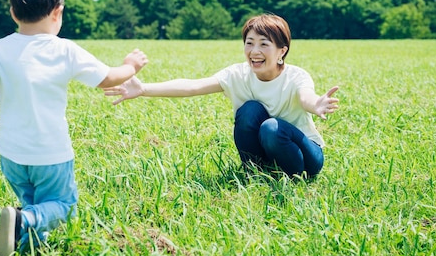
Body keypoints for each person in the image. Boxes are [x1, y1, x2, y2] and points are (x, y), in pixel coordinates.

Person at [0, 0, 148, 256]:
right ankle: (23, 222)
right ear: (57, 12)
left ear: (13, 12)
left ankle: (23, 244)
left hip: (11, 155)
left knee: (31, 200)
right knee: (62, 204)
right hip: (50, 153)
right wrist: (131, 65)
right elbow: (109, 78)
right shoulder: (64, 50)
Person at [104, 13, 338, 178]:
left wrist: (316, 104)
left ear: (282, 51)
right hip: (270, 148)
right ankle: (255, 172)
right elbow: (193, 86)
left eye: (264, 44)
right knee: (249, 110)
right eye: (249, 43)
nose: (254, 51)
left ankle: (294, 177)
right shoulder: (238, 74)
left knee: (271, 127)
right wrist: (144, 89)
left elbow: (306, 96)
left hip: (307, 157)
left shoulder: (296, 76)